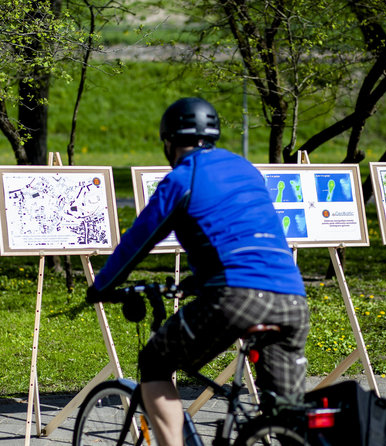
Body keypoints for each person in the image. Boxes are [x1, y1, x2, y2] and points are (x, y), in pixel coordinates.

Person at [86, 97, 309, 446]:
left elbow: (137, 241)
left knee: (155, 363)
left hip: (236, 297)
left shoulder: (182, 177)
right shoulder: (245, 168)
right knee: (287, 418)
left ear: (170, 141)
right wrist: (200, 280)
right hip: (293, 299)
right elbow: (242, 238)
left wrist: (100, 286)